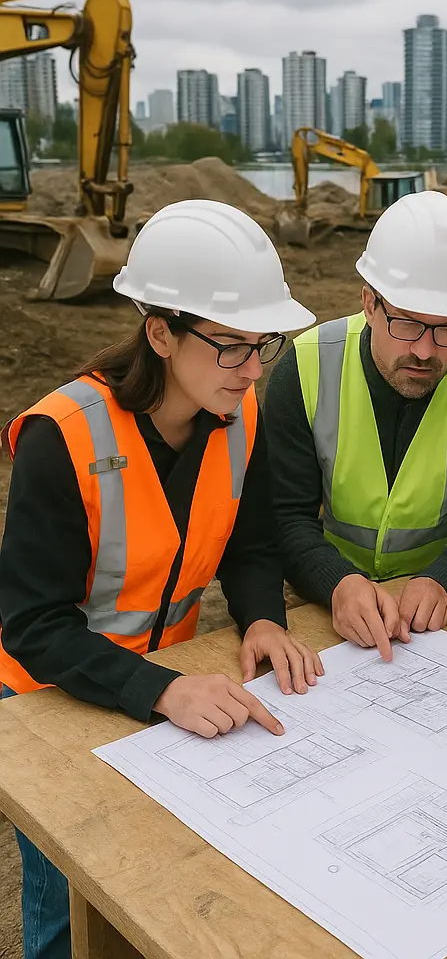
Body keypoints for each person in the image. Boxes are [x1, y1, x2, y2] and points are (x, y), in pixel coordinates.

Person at [0, 198, 323, 959]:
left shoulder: (238, 419)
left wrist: (264, 619)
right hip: (51, 695)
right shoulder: (64, 434)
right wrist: (163, 691)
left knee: (151, 886)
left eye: (262, 346)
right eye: (230, 347)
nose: (251, 370)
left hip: (161, 678)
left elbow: (250, 548)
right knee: (65, 897)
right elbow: (33, 622)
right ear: (160, 333)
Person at [264, 190, 447, 659]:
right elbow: (284, 515)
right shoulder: (305, 367)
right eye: (407, 324)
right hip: (326, 600)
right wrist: (336, 582)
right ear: (369, 303)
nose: (425, 351)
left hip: (435, 607)